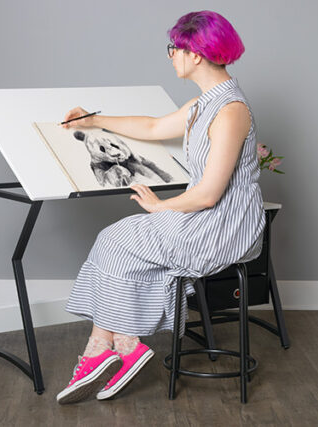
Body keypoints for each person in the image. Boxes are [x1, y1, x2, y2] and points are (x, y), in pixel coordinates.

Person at [54, 10, 267, 404]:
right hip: (204, 215)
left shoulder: (231, 110)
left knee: (114, 240)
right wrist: (92, 119)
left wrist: (160, 206)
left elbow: (209, 194)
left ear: (195, 54)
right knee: (114, 240)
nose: (171, 56)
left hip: (223, 225)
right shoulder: (204, 103)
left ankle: (115, 347)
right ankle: (114, 345)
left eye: (175, 48)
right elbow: (152, 127)